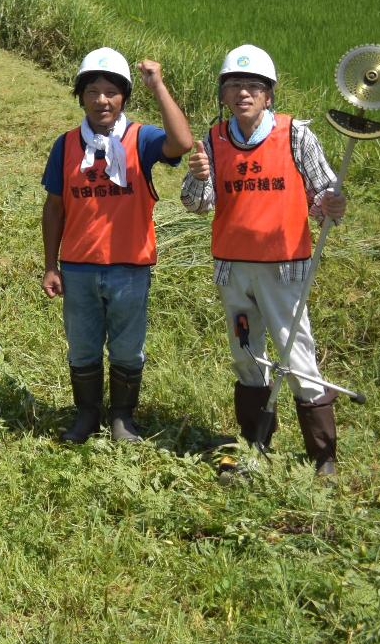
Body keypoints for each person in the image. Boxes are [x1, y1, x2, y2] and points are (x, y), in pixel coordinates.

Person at [182, 44, 348, 477]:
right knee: (246, 356)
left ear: (268, 95)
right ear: (223, 95)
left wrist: (331, 202)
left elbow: (324, 188)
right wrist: (200, 177)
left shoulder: (295, 135)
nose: (243, 94)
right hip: (233, 268)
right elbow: (196, 204)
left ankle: (323, 457)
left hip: (284, 268)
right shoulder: (212, 142)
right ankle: (255, 444)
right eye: (234, 85)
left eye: (253, 86)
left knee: (298, 356)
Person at [39, 49, 193, 443]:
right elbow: (54, 208)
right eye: (92, 91)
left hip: (130, 267)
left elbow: (182, 141)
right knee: (83, 345)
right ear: (80, 96)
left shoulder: (141, 139)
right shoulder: (67, 144)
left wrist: (157, 86)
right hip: (78, 266)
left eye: (111, 92)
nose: (101, 100)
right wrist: (50, 264)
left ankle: (122, 417)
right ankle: (87, 414)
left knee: (127, 346)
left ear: (124, 96)